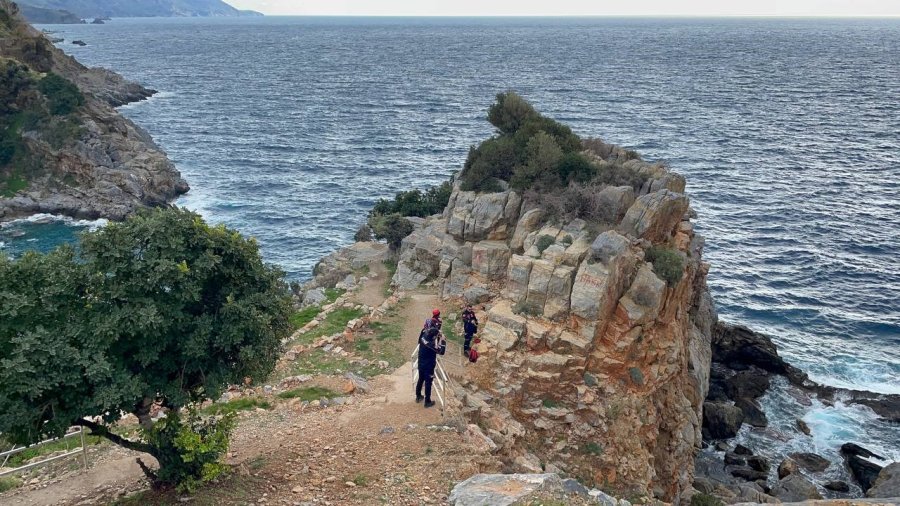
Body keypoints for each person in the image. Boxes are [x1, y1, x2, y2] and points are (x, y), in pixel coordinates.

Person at [415, 326, 446, 408]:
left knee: (420, 379)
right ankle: (427, 401)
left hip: (421, 363)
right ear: (433, 337)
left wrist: (438, 332)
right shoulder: (431, 344)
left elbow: (430, 333)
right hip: (428, 366)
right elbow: (441, 352)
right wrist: (443, 341)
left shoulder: (424, 336)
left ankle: (418, 396)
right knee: (428, 383)